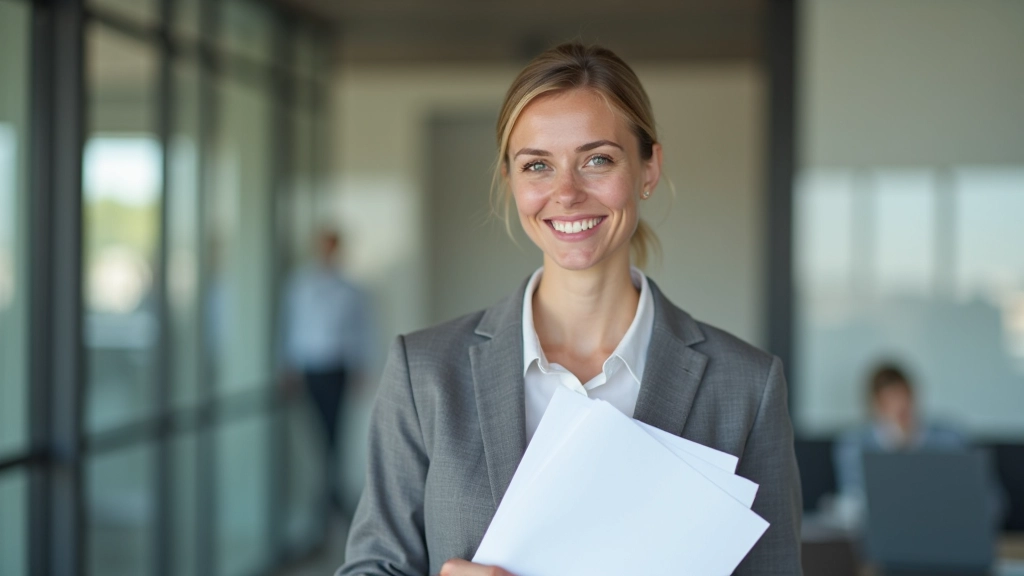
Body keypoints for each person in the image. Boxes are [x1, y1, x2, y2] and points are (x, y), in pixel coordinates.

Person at [339, 43, 802, 576]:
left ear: (649, 169)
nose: (566, 192)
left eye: (597, 159)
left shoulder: (747, 386)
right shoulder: (424, 373)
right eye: (537, 165)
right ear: (511, 181)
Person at [281, 229, 373, 514]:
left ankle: (333, 491)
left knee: (336, 431)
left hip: (337, 367)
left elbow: (363, 331)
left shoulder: (350, 289)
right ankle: (322, 490)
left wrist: (361, 365)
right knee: (316, 431)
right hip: (310, 366)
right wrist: (287, 365)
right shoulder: (300, 285)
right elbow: (290, 327)